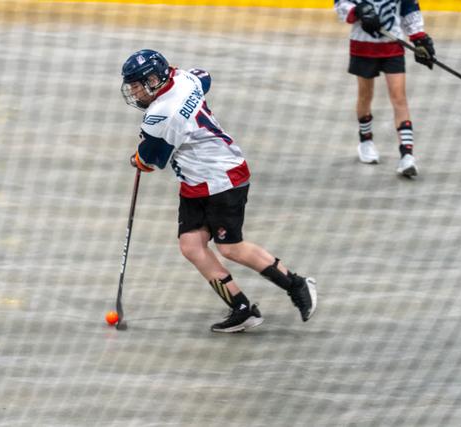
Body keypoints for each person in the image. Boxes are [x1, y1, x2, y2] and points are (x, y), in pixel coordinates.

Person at [120, 49, 317, 333]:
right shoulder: (183, 78)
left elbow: (150, 160)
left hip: (223, 179)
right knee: (191, 245)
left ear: (153, 80)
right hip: (196, 182)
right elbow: (204, 77)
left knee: (230, 248)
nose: (134, 92)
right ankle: (241, 308)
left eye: (137, 85)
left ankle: (297, 285)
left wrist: (137, 159)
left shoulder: (161, 114)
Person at [334, 0, 435, 177]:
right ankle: (365, 141)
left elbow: (409, 7)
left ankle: (407, 156)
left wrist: (419, 37)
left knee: (399, 97)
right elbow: (341, 3)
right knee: (365, 95)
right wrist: (358, 11)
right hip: (363, 46)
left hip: (392, 45)